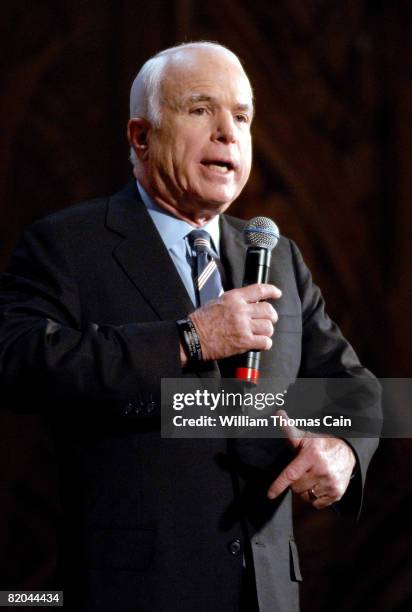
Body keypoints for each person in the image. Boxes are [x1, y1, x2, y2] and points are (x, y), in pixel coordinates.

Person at [0, 42, 380, 612]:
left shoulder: (277, 257)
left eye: (243, 116)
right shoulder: (69, 245)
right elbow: (20, 362)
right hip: (134, 590)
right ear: (141, 136)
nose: (229, 132)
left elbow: (356, 390)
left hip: (267, 594)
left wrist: (344, 450)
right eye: (202, 109)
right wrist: (189, 339)